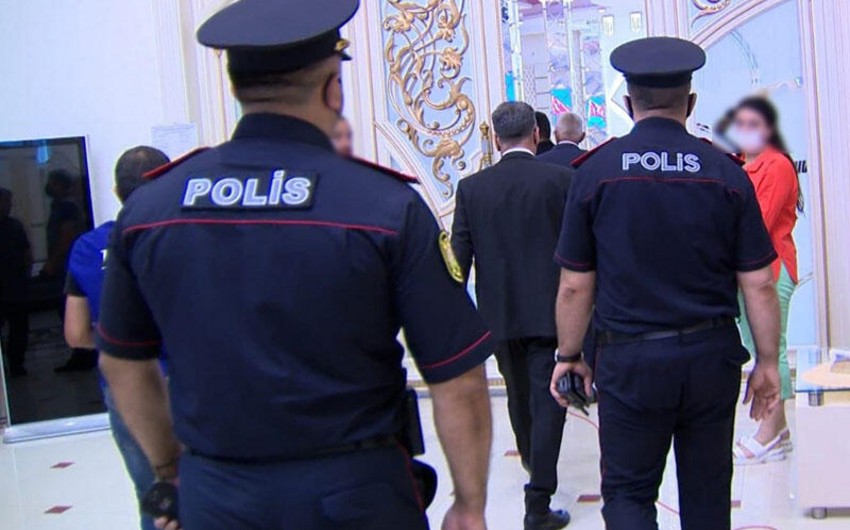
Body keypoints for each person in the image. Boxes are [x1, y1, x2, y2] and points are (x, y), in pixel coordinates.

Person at [96, 2, 493, 530]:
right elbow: (457, 376)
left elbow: (122, 363)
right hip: (356, 493)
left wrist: (170, 470)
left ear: (236, 87)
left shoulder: (150, 210)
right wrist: (469, 505)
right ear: (333, 89)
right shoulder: (382, 207)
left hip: (216, 493)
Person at [549, 37, 782, 530]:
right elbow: (759, 282)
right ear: (690, 103)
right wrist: (766, 361)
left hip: (630, 361)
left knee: (629, 494)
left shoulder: (596, 173)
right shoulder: (725, 173)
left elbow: (574, 285)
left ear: (628, 102)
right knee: (707, 493)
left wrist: (569, 356)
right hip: (710, 358)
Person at [452, 101, 573, 530]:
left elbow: (458, 260)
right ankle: (538, 498)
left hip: (498, 315)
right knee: (549, 400)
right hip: (552, 312)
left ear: (495, 138)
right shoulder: (562, 181)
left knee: (519, 396)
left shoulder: (471, 188)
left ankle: (534, 470)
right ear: (536, 134)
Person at [64, 146, 170, 530]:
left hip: (127, 389)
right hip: (191, 381)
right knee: (209, 491)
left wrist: (126, 338)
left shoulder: (88, 247)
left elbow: (76, 333)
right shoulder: (185, 235)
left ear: (115, 191)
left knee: (154, 497)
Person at [727, 96, 801, 465]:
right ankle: (778, 431)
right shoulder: (739, 164)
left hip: (771, 270)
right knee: (759, 349)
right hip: (745, 273)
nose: (744, 131)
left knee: (771, 349)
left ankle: (769, 432)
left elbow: (761, 221)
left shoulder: (777, 164)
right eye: (739, 124)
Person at [42, 169, 94, 372]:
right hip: (64, 264)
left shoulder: (67, 208)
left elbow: (67, 235)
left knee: (70, 309)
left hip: (67, 264)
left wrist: (52, 262)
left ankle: (83, 355)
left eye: (53, 182)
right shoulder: (59, 207)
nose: (49, 186)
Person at [0, 187, 32, 377]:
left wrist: (26, 275)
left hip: (14, 285)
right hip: (9, 285)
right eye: (5, 202)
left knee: (19, 328)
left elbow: (26, 252)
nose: (9, 206)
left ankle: (16, 364)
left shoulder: (14, 226)